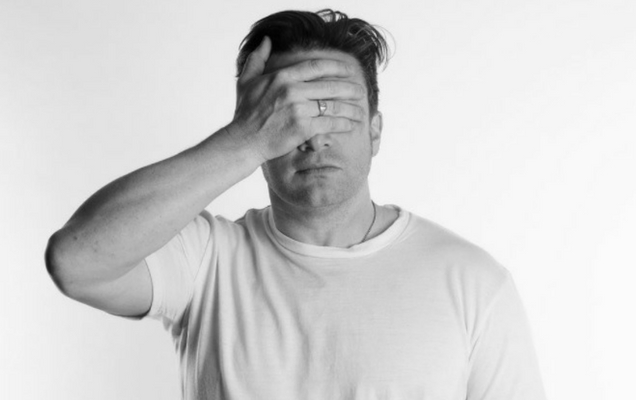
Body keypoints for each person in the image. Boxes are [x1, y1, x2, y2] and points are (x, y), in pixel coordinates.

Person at [45, 9, 547, 400]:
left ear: (375, 131)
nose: (314, 136)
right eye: (290, 112)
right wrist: (244, 140)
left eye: (337, 110)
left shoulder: (473, 282)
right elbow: (76, 261)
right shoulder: (206, 259)